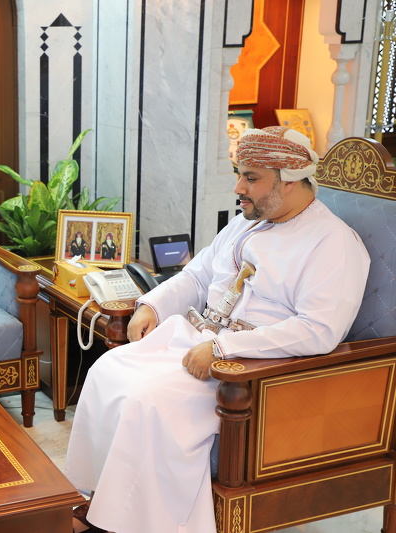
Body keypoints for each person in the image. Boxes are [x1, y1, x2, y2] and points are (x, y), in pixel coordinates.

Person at [65, 127, 370, 533]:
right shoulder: (247, 223)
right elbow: (197, 274)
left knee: (147, 400)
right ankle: (101, 500)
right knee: (108, 369)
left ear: (290, 179)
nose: (238, 187)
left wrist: (226, 349)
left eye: (251, 178)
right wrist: (152, 305)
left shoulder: (333, 243)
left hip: (252, 372)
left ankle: (136, 524)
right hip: (199, 341)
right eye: (238, 174)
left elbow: (318, 330)